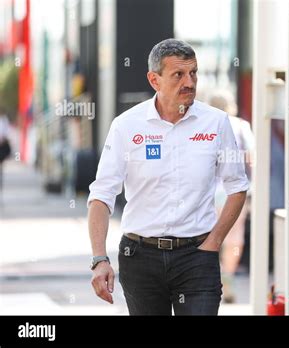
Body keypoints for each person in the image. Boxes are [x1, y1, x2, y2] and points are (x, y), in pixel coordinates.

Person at [87, 39, 249, 315]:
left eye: (194, 73)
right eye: (179, 75)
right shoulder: (126, 126)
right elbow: (101, 195)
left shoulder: (216, 123)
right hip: (140, 257)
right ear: (155, 80)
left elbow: (237, 187)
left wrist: (214, 242)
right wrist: (99, 259)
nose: (189, 82)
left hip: (198, 256)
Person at [209, 92, 254, 303]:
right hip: (234, 191)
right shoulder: (241, 126)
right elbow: (252, 157)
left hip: (208, 192)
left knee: (206, 236)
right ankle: (227, 277)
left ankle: (212, 277)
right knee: (234, 237)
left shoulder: (205, 125)